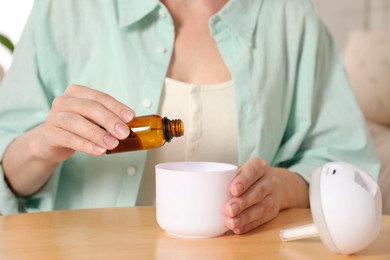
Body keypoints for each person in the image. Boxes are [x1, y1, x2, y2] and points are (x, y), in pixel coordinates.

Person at [0, 0, 379, 235]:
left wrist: (280, 189)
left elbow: (346, 165)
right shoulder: (67, 8)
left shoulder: (290, 15)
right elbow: (9, 171)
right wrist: (41, 144)